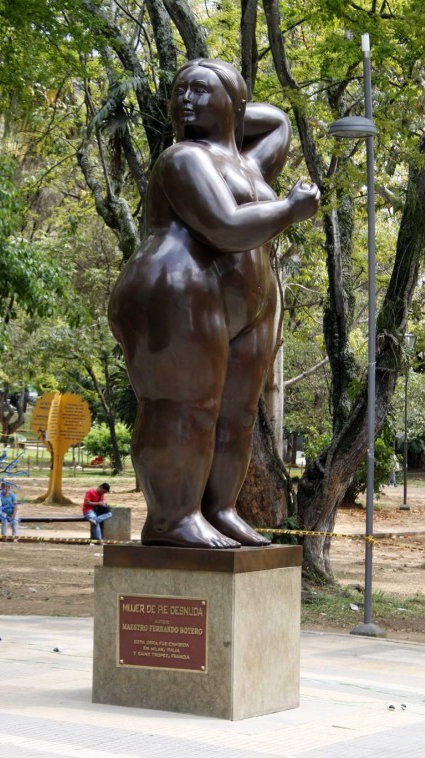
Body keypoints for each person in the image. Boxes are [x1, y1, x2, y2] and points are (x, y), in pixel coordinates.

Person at [109, 58, 320, 549]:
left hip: (239, 307)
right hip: (176, 291)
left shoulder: (246, 163)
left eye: (201, 90)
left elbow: (279, 122)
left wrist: (234, 108)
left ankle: (217, 508)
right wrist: (289, 209)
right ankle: (171, 517)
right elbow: (223, 226)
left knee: (236, 414)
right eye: (179, 90)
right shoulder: (182, 159)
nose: (185, 99)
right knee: (183, 406)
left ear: (232, 103)